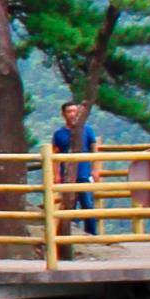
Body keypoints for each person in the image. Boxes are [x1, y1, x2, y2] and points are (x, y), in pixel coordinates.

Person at [49, 100, 100, 238]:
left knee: (87, 204)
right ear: (63, 114)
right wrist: (56, 175)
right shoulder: (59, 134)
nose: (72, 114)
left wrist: (95, 170)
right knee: (69, 205)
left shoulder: (87, 130)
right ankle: (73, 233)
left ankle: (92, 234)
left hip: (84, 172)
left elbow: (94, 150)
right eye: (69, 111)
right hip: (67, 175)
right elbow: (55, 155)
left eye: (74, 111)